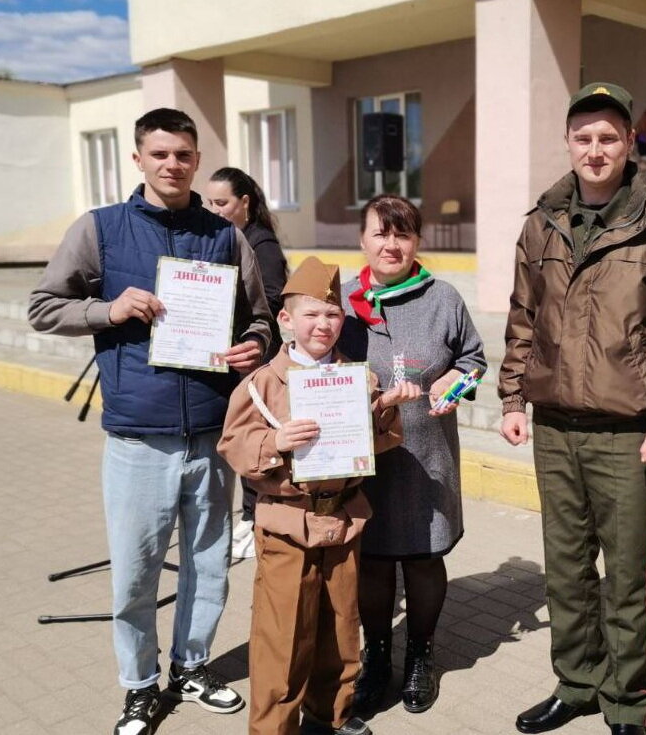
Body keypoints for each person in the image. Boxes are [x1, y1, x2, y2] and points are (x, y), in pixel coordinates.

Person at [28, 108, 274, 735]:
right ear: (138, 158)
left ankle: (191, 667)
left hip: (211, 433)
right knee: (136, 573)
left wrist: (253, 344)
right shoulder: (101, 229)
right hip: (138, 437)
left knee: (208, 565)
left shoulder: (225, 236)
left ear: (197, 159)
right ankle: (139, 686)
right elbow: (43, 306)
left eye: (183, 154)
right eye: (160, 154)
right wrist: (108, 310)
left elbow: (260, 317)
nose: (172, 164)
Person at [498, 83, 646, 735]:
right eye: (583, 137)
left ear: (629, 143)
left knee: (623, 575)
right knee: (565, 569)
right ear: (568, 143)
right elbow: (523, 317)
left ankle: (624, 699)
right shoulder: (541, 222)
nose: (594, 150)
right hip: (553, 424)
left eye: (608, 137)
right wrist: (512, 395)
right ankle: (576, 683)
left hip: (628, 431)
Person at [218, 256, 419, 735]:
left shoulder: (357, 378)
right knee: (283, 636)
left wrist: (384, 409)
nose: (323, 324)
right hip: (287, 525)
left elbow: (373, 447)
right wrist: (275, 441)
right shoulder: (263, 382)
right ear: (286, 320)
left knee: (340, 626)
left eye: (332, 314)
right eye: (311, 314)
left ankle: (331, 715)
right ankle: (273, 728)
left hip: (343, 520)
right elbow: (233, 445)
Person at [338, 194, 486, 716]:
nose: (391, 244)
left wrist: (457, 379)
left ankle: (421, 655)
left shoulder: (443, 298)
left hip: (428, 458)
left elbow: (474, 358)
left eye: (402, 234)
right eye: (381, 233)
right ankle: (377, 657)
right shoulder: (342, 299)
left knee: (424, 559)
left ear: (417, 241)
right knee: (373, 563)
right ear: (362, 239)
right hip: (363, 461)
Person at [207, 166, 289, 560]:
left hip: (258, 358)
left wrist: (229, 315)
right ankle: (249, 514)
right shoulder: (223, 239)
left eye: (222, 202)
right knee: (243, 435)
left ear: (245, 202)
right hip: (237, 357)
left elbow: (271, 300)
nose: (215, 210)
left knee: (257, 436)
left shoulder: (262, 245)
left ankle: (258, 517)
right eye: (210, 203)